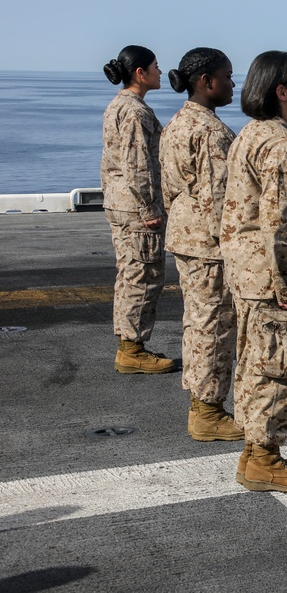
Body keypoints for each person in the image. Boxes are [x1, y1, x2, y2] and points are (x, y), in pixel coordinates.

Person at [220, 51, 287, 492]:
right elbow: (282, 223)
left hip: (246, 273)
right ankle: (264, 459)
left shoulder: (250, 135)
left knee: (254, 363)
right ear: (280, 91)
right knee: (278, 366)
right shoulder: (281, 145)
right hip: (271, 277)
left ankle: (252, 452)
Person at [160, 48, 242, 442]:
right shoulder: (210, 131)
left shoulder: (176, 123)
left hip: (185, 236)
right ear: (207, 82)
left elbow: (170, 189)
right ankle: (207, 412)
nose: (232, 83)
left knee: (198, 322)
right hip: (209, 244)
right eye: (227, 75)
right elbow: (220, 200)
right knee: (213, 327)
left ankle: (202, 403)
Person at [101, 45, 175, 374]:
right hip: (136, 210)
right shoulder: (134, 111)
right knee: (142, 276)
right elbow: (137, 164)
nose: (161, 72)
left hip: (121, 204)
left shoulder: (119, 105)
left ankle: (130, 346)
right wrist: (149, 208)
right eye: (156, 67)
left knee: (130, 274)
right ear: (140, 73)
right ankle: (132, 349)